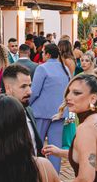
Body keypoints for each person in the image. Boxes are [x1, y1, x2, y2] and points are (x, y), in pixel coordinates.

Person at [30, 43, 71, 173]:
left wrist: (27, 105)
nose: (42, 55)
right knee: (55, 147)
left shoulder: (42, 68)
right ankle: (54, 175)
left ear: (47, 54)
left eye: (43, 52)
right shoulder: (65, 68)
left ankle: (36, 172)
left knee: (37, 144)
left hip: (41, 112)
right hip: (59, 112)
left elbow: (35, 91)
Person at [3, 64, 43, 156]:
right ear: (8, 88)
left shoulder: (29, 110)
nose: (30, 91)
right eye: (23, 86)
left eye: (30, 85)